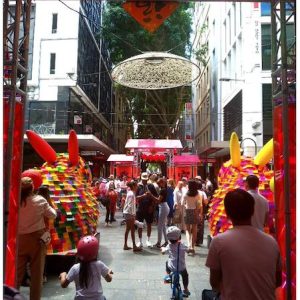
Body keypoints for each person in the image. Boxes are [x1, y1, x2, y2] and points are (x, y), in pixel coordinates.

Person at [206, 189, 282, 300]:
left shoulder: (219, 242)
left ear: (227, 213)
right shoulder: (271, 242)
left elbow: (214, 283)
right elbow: (278, 280)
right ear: (252, 211)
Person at [17, 177, 57, 300]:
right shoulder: (40, 200)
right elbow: (53, 215)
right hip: (37, 240)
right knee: (37, 275)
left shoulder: (14, 201)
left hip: (20, 240)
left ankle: (11, 295)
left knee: (17, 273)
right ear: (32, 187)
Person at [59, 235, 113, 300]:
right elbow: (109, 279)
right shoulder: (99, 264)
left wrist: (63, 275)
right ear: (95, 252)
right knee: (103, 298)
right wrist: (109, 272)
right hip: (98, 298)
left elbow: (64, 285)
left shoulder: (75, 268)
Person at [161, 226, 190, 298]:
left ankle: (168, 276)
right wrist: (191, 249)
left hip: (172, 267)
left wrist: (162, 249)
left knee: (167, 262)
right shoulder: (183, 245)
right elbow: (189, 250)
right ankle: (186, 289)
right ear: (179, 237)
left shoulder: (169, 246)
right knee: (185, 276)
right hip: (182, 268)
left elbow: (163, 252)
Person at [135, 172, 159, 248]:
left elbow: (156, 197)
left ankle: (148, 240)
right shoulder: (138, 186)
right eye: (143, 179)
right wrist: (143, 196)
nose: (145, 181)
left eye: (146, 179)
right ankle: (140, 241)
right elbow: (136, 197)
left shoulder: (151, 186)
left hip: (149, 208)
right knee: (140, 225)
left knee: (149, 224)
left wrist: (152, 206)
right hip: (140, 208)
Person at [182, 180, 203, 254]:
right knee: (194, 229)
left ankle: (188, 245)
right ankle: (192, 247)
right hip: (195, 211)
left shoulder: (186, 194)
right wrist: (198, 213)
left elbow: (182, 203)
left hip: (187, 211)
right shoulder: (198, 195)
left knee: (187, 230)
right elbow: (199, 205)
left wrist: (186, 206)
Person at [149, 178, 170, 248]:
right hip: (163, 206)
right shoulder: (163, 189)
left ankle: (159, 242)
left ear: (162, 183)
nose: (158, 185)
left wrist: (151, 195)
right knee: (163, 226)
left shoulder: (163, 190)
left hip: (163, 207)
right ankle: (166, 241)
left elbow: (158, 200)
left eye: (158, 183)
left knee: (160, 226)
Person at [123, 180, 143, 252]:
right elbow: (130, 205)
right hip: (129, 213)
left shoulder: (130, 193)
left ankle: (126, 245)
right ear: (134, 186)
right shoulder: (132, 194)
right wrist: (133, 215)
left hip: (127, 212)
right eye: (136, 186)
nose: (137, 187)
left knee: (128, 229)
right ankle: (134, 246)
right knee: (132, 229)